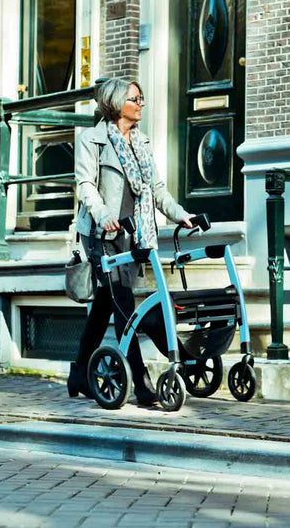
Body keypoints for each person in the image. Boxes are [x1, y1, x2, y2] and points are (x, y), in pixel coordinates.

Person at [67, 78, 194, 405]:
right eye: (135, 99)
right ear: (115, 103)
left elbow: (157, 189)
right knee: (123, 302)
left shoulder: (141, 142)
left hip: (132, 233)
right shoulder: (91, 140)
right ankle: (140, 382)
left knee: (106, 304)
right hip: (101, 233)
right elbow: (85, 185)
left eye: (141, 98)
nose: (141, 104)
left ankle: (80, 371)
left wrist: (179, 214)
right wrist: (102, 213)